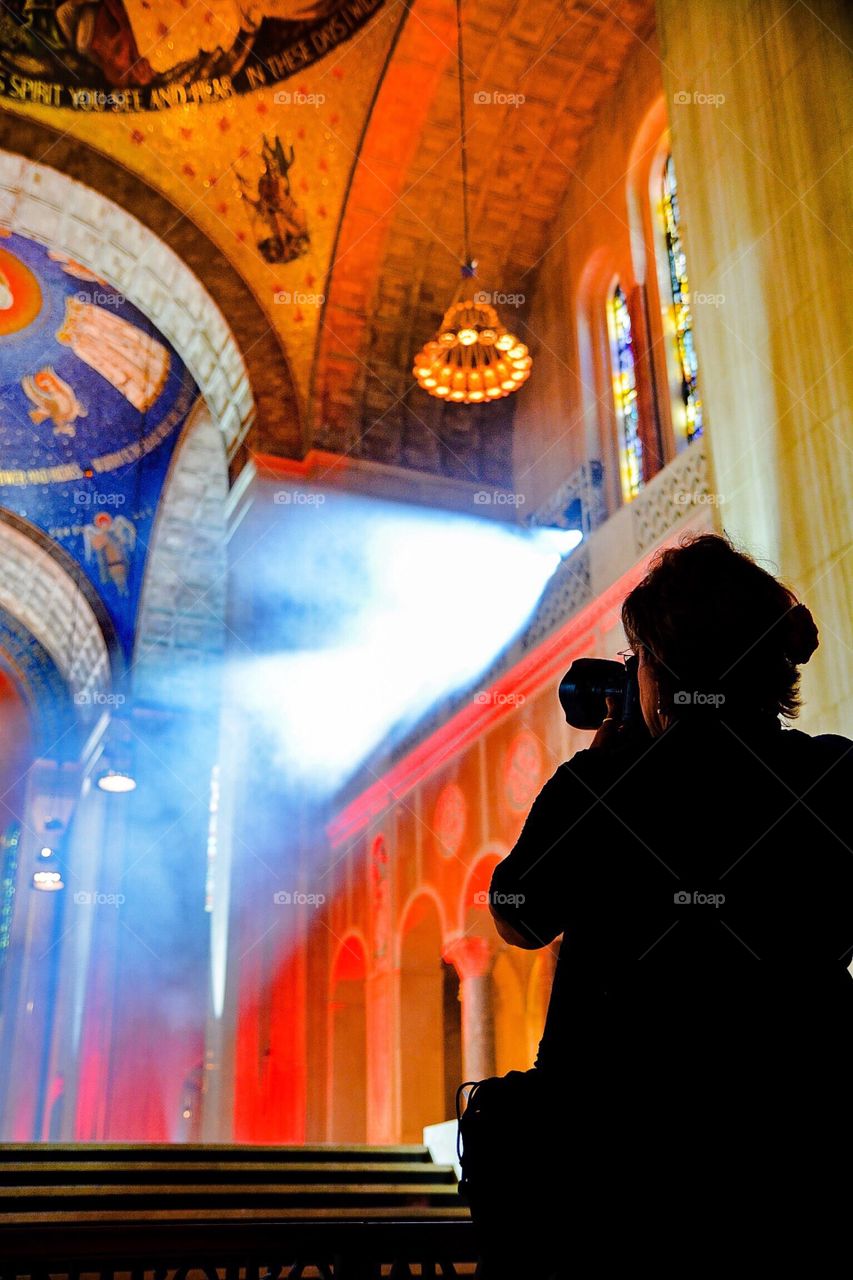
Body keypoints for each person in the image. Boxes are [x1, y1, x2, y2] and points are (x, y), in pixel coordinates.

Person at [473, 532, 853, 1277]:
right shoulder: (833, 774)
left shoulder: (601, 791)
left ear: (661, 667)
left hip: (618, 1171)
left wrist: (597, 769)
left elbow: (516, 913)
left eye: (637, 655)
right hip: (805, 1143)